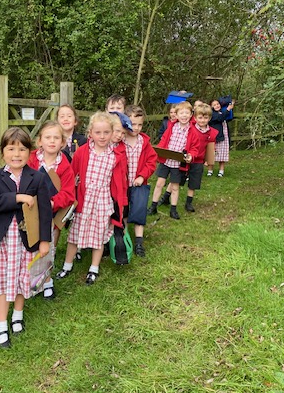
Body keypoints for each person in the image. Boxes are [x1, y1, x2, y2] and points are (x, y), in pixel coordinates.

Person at [0, 127, 52, 348]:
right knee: (3, 281)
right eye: (11, 149)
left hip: (26, 240)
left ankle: (17, 315)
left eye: (22, 149)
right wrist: (18, 197)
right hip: (3, 241)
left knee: (23, 279)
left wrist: (44, 240)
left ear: (30, 152)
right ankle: (2, 324)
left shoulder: (38, 177)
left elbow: (44, 211)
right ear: (2, 152)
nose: (17, 154)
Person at [55, 111, 128, 285]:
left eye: (106, 133)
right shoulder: (82, 152)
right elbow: (73, 174)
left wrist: (121, 203)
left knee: (98, 236)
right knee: (75, 235)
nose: (102, 137)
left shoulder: (116, 156)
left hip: (103, 201)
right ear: (90, 133)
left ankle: (93, 268)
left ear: (112, 133)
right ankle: (67, 265)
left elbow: (120, 182)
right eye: (98, 132)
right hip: (84, 200)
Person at [27, 121, 75, 299]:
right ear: (40, 141)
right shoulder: (30, 159)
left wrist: (53, 203)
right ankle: (28, 278)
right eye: (48, 137)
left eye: (56, 138)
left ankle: (47, 281)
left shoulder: (64, 166)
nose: (52, 141)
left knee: (48, 248)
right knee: (29, 244)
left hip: (50, 213)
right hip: (29, 211)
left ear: (63, 143)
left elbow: (69, 193)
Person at [148, 101, 193, 219]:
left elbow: (194, 147)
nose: (184, 115)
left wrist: (191, 155)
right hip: (166, 161)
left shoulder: (192, 131)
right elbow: (164, 140)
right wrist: (158, 152)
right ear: (176, 115)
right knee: (159, 183)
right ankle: (153, 206)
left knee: (175, 186)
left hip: (178, 163)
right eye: (181, 113)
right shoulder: (171, 127)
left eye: (186, 113)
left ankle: (173, 209)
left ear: (190, 115)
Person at [123, 105, 158, 257]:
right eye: (132, 124)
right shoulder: (119, 140)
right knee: (122, 212)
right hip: (122, 185)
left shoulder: (144, 142)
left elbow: (151, 162)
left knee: (139, 211)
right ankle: (123, 239)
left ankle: (139, 242)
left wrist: (142, 176)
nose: (136, 128)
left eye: (139, 124)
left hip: (139, 184)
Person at [182, 103, 218, 211]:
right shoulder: (190, 128)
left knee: (193, 182)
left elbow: (211, 147)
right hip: (186, 157)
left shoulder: (211, 133)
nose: (202, 120)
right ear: (195, 117)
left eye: (205, 118)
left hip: (199, 160)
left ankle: (189, 203)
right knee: (177, 179)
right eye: (200, 118)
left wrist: (208, 160)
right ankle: (166, 197)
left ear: (209, 118)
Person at [208, 98, 234, 177]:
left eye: (218, 104)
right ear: (211, 106)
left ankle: (221, 170)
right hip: (214, 136)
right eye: (214, 105)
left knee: (222, 154)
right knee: (211, 153)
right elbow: (220, 117)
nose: (216, 106)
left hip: (223, 135)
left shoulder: (222, 112)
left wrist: (230, 105)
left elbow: (228, 117)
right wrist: (228, 109)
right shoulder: (211, 114)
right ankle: (210, 170)